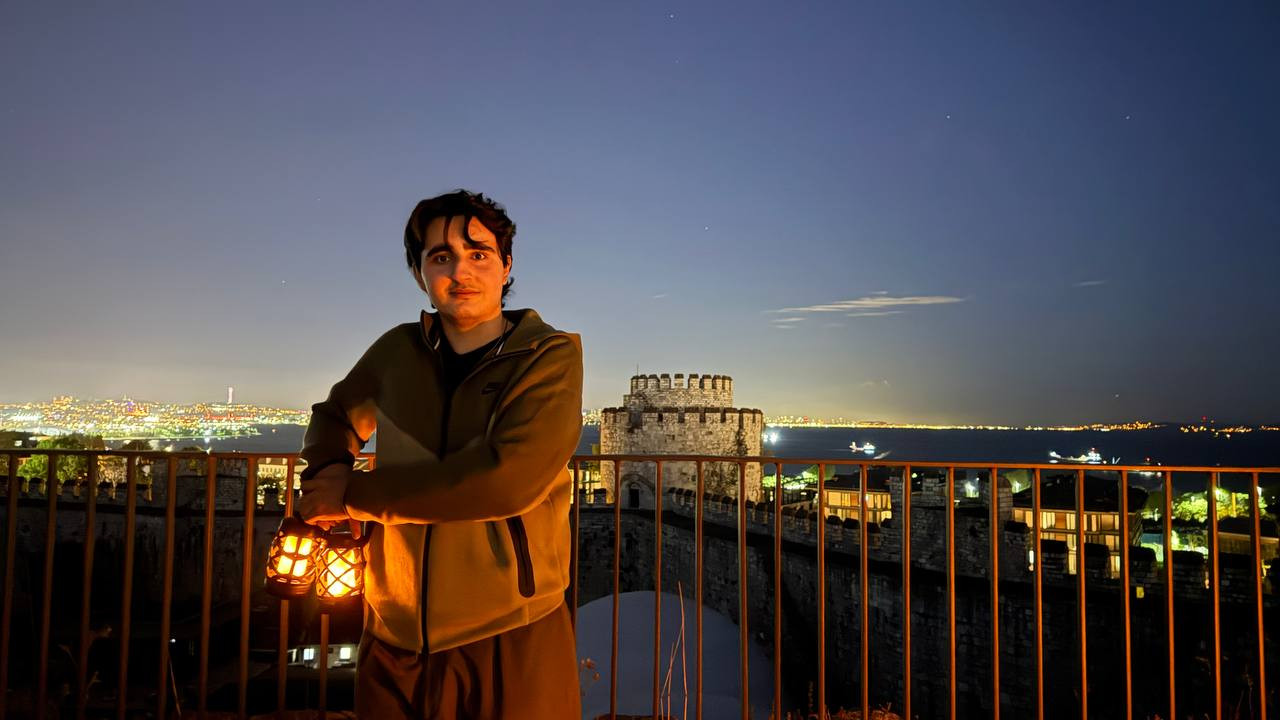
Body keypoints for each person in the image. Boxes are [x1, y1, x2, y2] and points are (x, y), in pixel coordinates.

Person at [297, 189, 583, 718]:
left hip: (509, 631)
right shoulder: (397, 351)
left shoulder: (545, 356)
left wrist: (353, 496)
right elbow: (335, 415)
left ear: (506, 266)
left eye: (479, 253)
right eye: (441, 256)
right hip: (393, 630)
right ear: (419, 273)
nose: (461, 271)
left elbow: (508, 480)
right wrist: (329, 470)